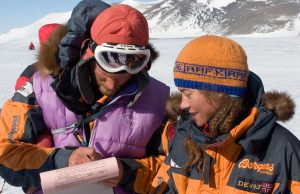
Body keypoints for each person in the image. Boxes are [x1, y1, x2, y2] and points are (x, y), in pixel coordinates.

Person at [0, 3, 170, 194]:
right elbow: (5, 152)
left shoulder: (159, 101)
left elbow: (176, 172)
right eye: (105, 73)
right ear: (88, 52)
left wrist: (127, 172)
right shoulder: (41, 87)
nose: (113, 86)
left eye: (124, 76)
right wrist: (62, 160)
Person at [110, 35, 300, 193]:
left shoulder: (284, 152)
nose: (182, 104)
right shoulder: (185, 136)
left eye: (188, 94)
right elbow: (164, 179)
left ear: (218, 91)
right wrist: (123, 171)